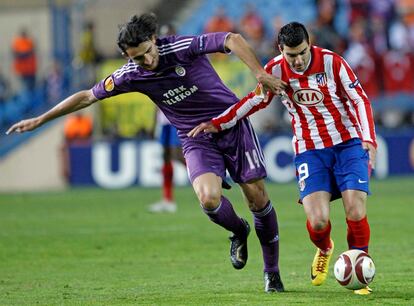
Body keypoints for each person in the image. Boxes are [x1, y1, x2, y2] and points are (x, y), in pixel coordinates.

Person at [7, 13, 285, 293]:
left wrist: (259, 73)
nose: (147, 61)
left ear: (154, 40)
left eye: (148, 53)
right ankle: (239, 230)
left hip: (231, 124)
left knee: (257, 199)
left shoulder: (179, 47)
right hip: (195, 138)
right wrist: (41, 119)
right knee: (209, 199)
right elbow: (87, 96)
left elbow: (231, 39)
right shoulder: (131, 74)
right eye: (138, 58)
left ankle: (271, 272)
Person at [189, 22, 377, 295]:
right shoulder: (275, 69)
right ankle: (325, 248)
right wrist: (219, 123)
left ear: (309, 44)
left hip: (348, 143)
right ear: (281, 50)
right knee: (318, 222)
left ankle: (360, 270)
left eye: (302, 52)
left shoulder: (333, 63)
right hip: (309, 150)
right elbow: (255, 100)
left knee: (356, 209)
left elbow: (360, 99)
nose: (298, 60)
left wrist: (368, 139)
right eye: (292, 55)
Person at [148, 110, 185, 213]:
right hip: (164, 121)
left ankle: (206, 181)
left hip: (176, 118)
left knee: (178, 155)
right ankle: (168, 200)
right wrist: (154, 123)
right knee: (166, 157)